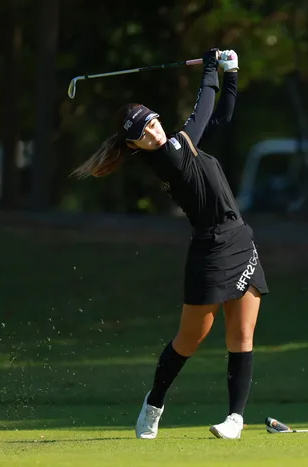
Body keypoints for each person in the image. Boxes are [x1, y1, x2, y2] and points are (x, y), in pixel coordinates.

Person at [70, 48, 268, 440]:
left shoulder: (181, 144)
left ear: (156, 118)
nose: (151, 132)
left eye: (151, 123)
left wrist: (231, 73)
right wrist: (210, 69)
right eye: (141, 134)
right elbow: (202, 111)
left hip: (239, 239)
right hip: (209, 250)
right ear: (133, 146)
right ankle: (154, 403)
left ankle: (235, 419)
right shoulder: (170, 158)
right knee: (189, 340)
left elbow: (220, 117)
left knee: (242, 336)